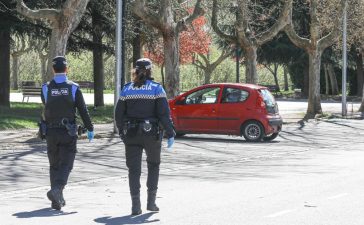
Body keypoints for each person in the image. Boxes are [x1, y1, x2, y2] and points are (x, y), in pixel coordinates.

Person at [115, 58, 175, 215]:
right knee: (153, 166)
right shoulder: (157, 89)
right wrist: (170, 133)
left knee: (134, 170)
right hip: (151, 135)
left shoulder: (127, 89)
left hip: (131, 134)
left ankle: (135, 206)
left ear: (135, 71)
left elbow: (118, 113)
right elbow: (163, 114)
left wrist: (122, 131)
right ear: (150, 71)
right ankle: (151, 203)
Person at [40, 56, 94, 210]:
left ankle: (56, 200)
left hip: (50, 131)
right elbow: (83, 110)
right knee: (67, 163)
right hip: (68, 131)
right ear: (66, 69)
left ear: (53, 69)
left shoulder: (45, 88)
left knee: (54, 165)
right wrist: (90, 128)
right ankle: (57, 190)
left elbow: (47, 104)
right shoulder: (74, 88)